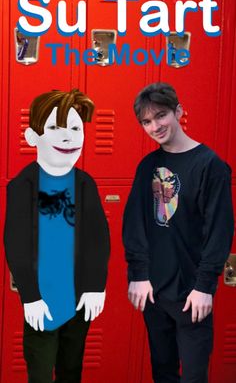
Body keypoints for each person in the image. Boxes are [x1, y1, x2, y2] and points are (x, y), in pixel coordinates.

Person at [122, 82, 234, 383]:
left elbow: (219, 232)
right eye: (146, 121)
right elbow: (134, 224)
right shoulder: (147, 166)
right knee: (163, 371)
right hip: (153, 292)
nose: (155, 126)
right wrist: (139, 274)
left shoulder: (210, 166)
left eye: (160, 116)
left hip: (190, 293)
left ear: (179, 111)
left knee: (194, 376)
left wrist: (205, 287)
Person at [4, 89, 110, 383]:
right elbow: (16, 243)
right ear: (31, 136)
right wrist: (30, 297)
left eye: (75, 129)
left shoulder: (86, 184)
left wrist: (95, 286)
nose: (68, 138)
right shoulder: (22, 185)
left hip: (78, 299)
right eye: (54, 128)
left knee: (71, 368)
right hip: (43, 299)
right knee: (39, 371)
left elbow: (98, 239)